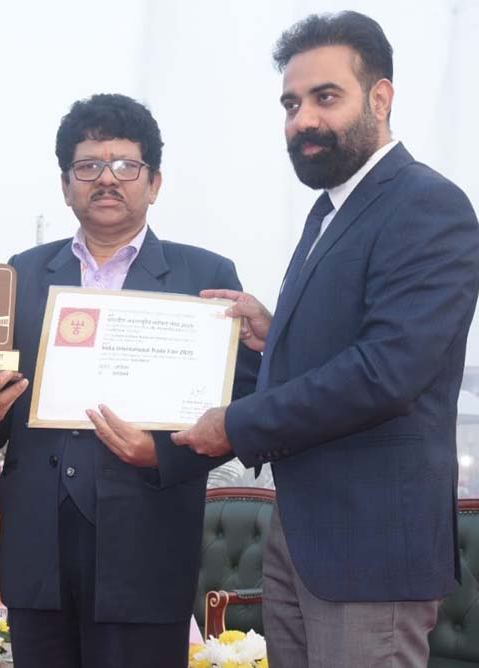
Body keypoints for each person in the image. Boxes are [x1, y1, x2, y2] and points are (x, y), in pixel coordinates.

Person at [172, 11, 479, 668]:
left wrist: (235, 424)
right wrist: (271, 332)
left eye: (325, 97)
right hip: (304, 537)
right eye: (291, 104)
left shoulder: (427, 205)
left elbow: (386, 372)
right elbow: (348, 342)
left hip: (371, 550)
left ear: (380, 98)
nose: (302, 120)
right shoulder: (332, 211)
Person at [0, 93, 260, 668]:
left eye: (126, 165)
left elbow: (242, 405)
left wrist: (162, 453)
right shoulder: (21, 274)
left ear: (154, 182)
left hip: (147, 543)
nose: (106, 178)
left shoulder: (206, 276)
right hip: (38, 549)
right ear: (65, 185)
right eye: (88, 166)